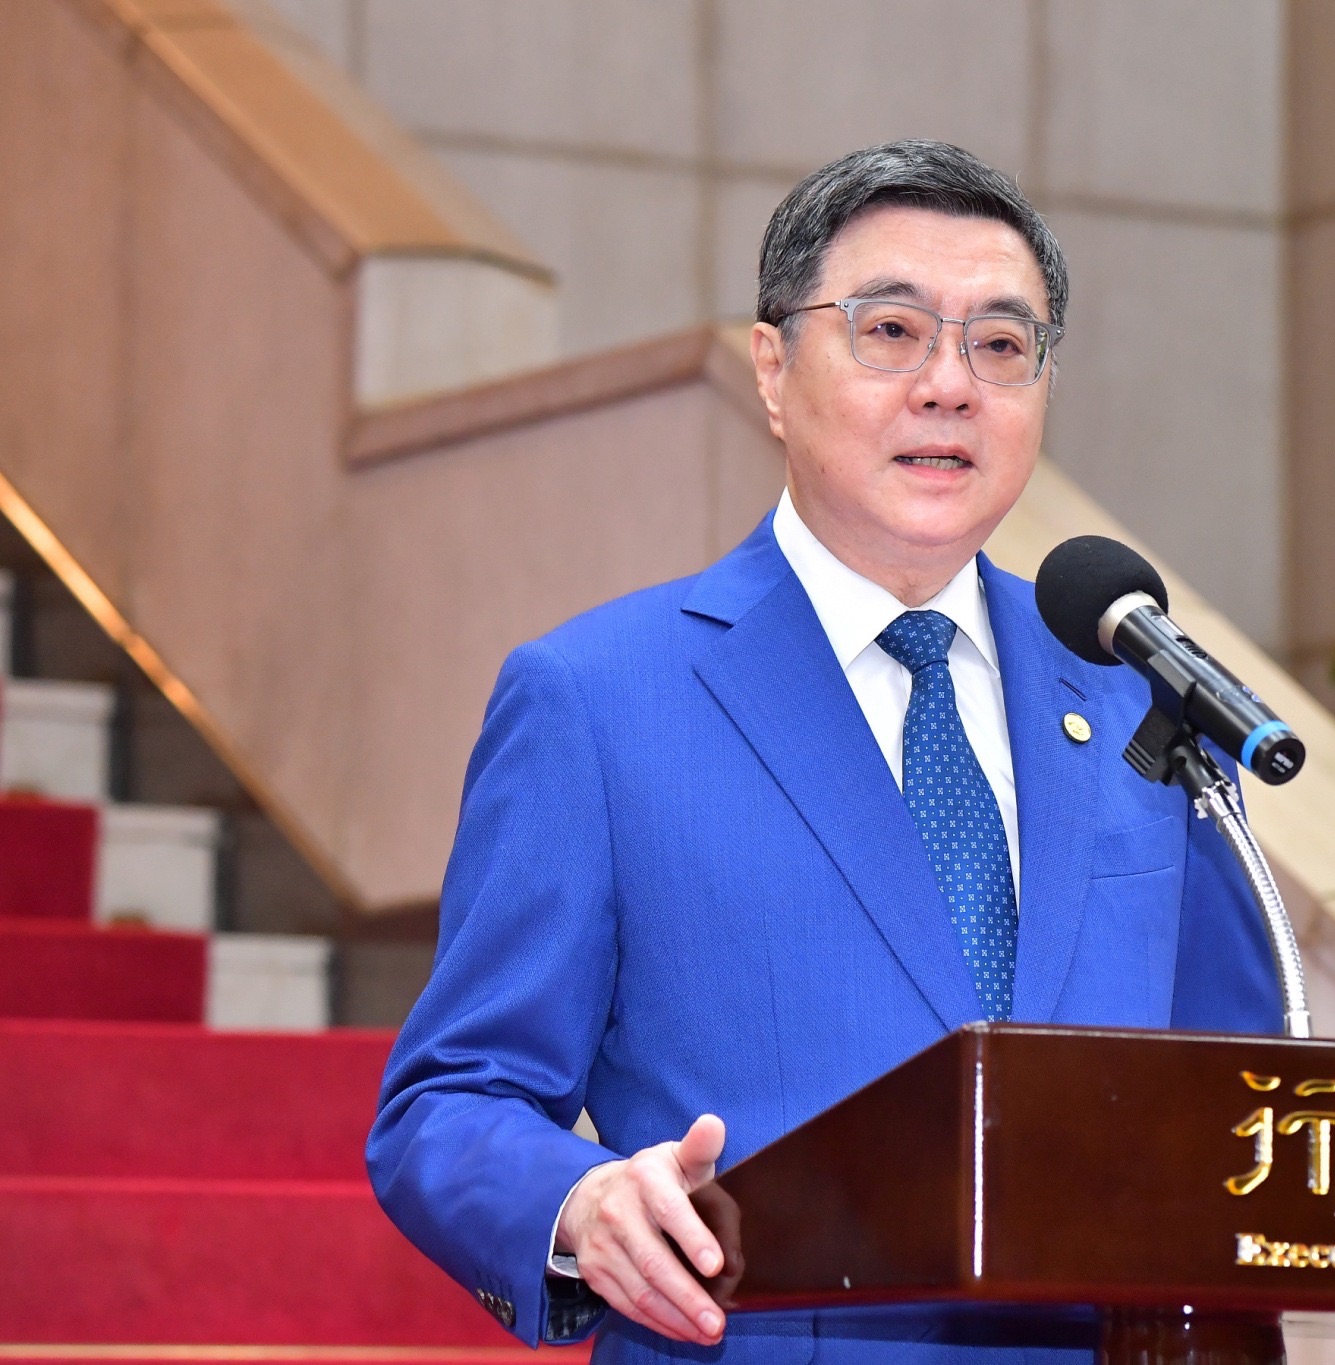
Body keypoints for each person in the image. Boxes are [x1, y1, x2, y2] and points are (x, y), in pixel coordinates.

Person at [367, 139, 1280, 1363]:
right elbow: (451, 1102)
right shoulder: (598, 701)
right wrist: (578, 1204)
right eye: (891, 331)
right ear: (772, 369)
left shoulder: (1133, 702)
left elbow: (1239, 1103)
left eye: (999, 345)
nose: (949, 386)